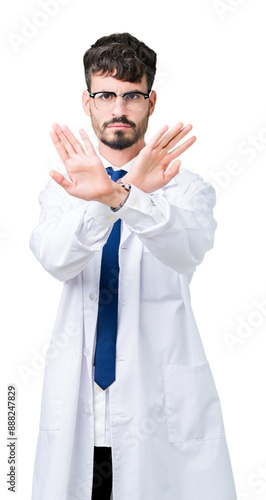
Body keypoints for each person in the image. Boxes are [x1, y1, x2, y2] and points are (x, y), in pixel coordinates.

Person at [30, 32, 237, 500]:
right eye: (106, 95)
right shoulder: (62, 189)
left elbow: (185, 250)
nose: (118, 108)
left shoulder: (188, 188)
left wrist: (125, 197)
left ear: (151, 101)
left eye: (132, 95)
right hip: (83, 413)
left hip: (158, 412)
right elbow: (55, 259)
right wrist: (104, 201)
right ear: (88, 102)